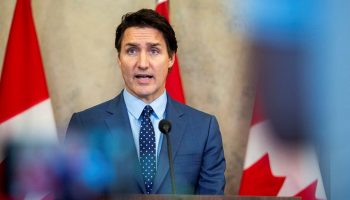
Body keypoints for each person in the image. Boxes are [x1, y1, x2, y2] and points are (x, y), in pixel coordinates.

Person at [66, 8, 225, 196]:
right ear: (119, 59)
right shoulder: (85, 125)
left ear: (171, 58)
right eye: (131, 50)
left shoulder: (204, 128)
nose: (142, 63)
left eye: (154, 50)